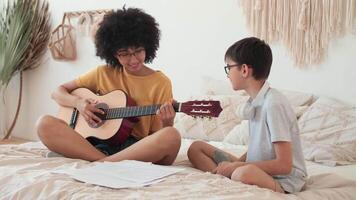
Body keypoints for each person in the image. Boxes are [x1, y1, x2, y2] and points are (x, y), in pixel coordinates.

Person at [36, 7, 181, 165]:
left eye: (138, 51)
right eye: (124, 54)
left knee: (171, 135)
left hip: (134, 147)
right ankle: (104, 160)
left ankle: (97, 159)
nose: (133, 60)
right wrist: (80, 104)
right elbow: (57, 93)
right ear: (113, 53)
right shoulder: (102, 73)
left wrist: (167, 123)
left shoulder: (160, 82)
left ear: (147, 47)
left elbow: (157, 136)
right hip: (90, 143)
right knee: (43, 123)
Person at [187, 37, 307, 193]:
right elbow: (259, 148)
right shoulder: (255, 102)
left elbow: (284, 165)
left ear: (244, 70)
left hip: (282, 179)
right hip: (254, 167)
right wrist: (238, 162)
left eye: (229, 68)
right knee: (196, 148)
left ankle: (226, 177)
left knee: (241, 173)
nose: (228, 74)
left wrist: (237, 166)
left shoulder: (274, 104)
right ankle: (225, 175)